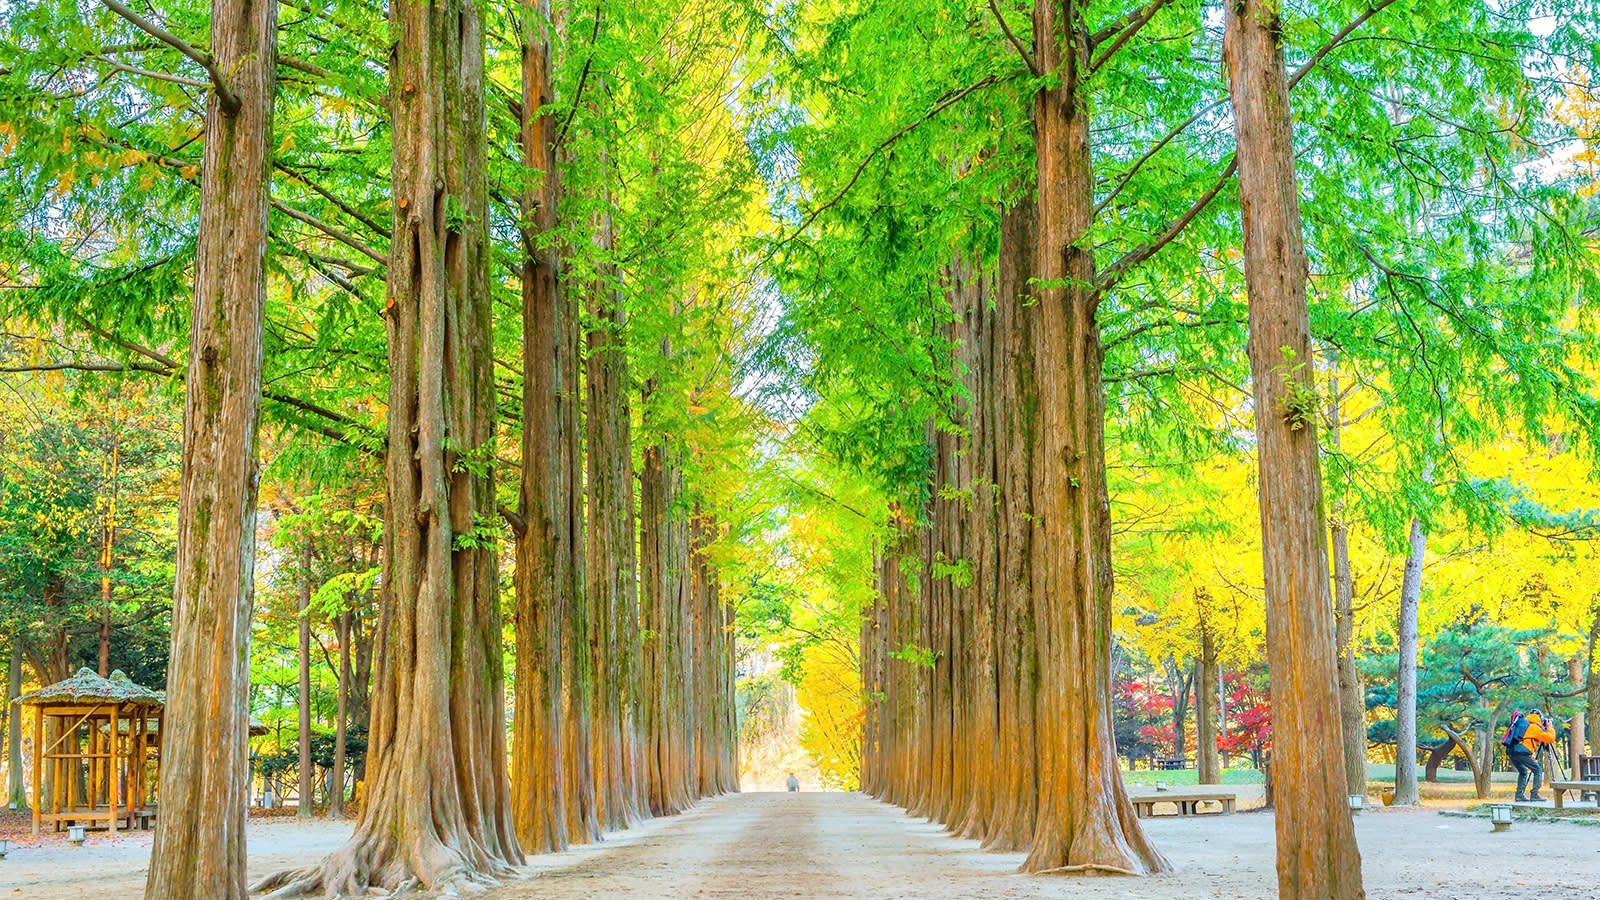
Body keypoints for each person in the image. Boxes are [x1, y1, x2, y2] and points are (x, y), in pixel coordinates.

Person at [1506, 708, 1557, 802]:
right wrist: (1550, 728)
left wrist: (1531, 756)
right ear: (1540, 718)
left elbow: (1527, 741)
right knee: (1537, 770)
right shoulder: (1535, 727)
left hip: (1511, 751)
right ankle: (1534, 795)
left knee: (1523, 771)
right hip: (1522, 752)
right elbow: (1550, 739)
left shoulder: (1524, 724)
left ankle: (1519, 796)